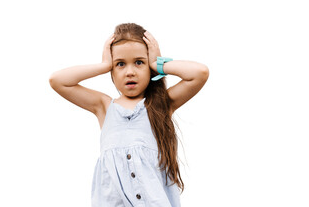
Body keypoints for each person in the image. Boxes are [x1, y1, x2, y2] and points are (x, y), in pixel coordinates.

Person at [49, 23, 209, 206]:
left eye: (139, 62)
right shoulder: (104, 106)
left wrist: (158, 63)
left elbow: (200, 73)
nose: (130, 72)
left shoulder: (161, 104)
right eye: (120, 64)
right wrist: (103, 66)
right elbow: (57, 81)